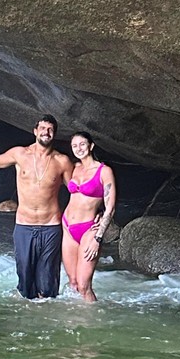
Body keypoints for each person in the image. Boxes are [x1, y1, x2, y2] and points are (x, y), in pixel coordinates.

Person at [0, 116, 73, 300]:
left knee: (48, 284)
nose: (46, 132)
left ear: (54, 134)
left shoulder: (62, 161)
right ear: (35, 131)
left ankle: (48, 324)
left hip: (51, 226)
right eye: (42, 128)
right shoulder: (20, 154)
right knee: (25, 283)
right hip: (24, 225)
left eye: (50, 129)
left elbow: (76, 191)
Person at [62, 130, 116, 304]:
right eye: (75, 146)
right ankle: (75, 322)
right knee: (73, 283)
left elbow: (111, 208)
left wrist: (98, 238)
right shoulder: (74, 168)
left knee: (84, 286)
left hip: (88, 230)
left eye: (82, 144)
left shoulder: (104, 171)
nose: (79, 149)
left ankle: (93, 323)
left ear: (91, 146)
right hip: (67, 227)